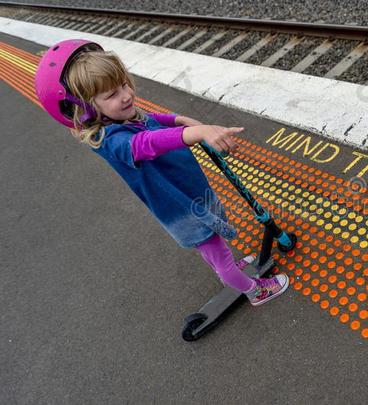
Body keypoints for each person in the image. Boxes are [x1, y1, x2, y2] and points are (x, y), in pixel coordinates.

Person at [34, 39, 289, 306]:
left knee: (213, 248)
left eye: (122, 84)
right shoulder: (111, 141)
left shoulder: (122, 116)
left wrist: (180, 120)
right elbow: (147, 143)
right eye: (111, 95)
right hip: (181, 207)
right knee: (216, 251)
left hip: (190, 189)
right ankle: (253, 291)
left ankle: (226, 268)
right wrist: (196, 132)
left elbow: (153, 121)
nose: (125, 95)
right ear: (85, 109)